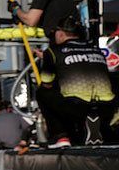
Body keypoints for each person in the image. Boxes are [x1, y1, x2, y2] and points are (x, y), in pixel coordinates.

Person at [35, 15, 116, 147]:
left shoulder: (53, 51)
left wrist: (48, 60)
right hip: (106, 108)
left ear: (60, 33)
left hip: (77, 108)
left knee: (43, 92)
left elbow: (46, 83)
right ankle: (100, 128)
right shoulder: (96, 49)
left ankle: (61, 137)